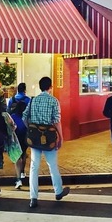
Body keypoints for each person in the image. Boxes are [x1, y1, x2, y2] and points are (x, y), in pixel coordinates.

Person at [22, 76, 70, 209]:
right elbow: (57, 121)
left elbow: (24, 117)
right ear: (50, 87)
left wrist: (30, 129)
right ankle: (58, 191)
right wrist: (60, 137)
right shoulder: (54, 101)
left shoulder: (33, 100)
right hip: (49, 138)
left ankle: (33, 197)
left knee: (34, 167)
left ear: (40, 87)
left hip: (35, 138)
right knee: (52, 165)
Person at [6, 82, 31, 189]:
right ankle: (22, 172)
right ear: (25, 90)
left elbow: (7, 112)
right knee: (23, 153)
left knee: (17, 155)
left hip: (15, 133)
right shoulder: (28, 100)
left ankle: (18, 179)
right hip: (25, 132)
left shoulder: (12, 99)